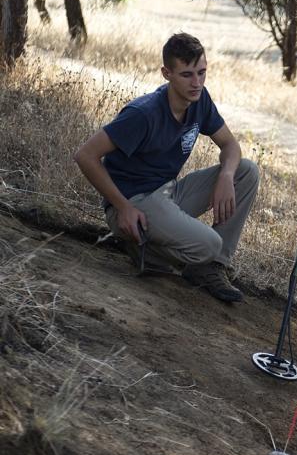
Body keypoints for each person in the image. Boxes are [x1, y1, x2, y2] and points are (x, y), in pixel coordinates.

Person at [73, 33, 259, 303]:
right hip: (135, 202)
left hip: (169, 193)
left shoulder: (200, 99)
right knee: (209, 243)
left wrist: (227, 176)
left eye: (202, 72)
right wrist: (123, 207)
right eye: (186, 75)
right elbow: (85, 156)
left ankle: (211, 267)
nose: (197, 83)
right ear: (166, 73)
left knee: (246, 171)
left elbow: (230, 145)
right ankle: (146, 252)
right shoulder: (143, 114)